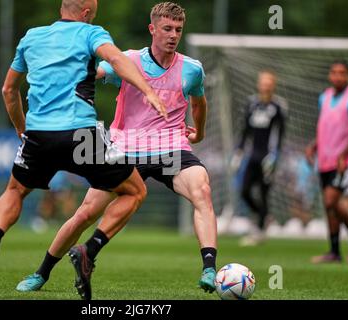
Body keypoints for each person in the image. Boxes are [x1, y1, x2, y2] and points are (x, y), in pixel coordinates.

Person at [16, 2, 218, 297]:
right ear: (152, 29)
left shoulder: (192, 69)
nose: (173, 35)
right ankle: (41, 273)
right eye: (166, 29)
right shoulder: (127, 60)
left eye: (178, 29)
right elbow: (88, 74)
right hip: (125, 147)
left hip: (170, 148)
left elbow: (199, 103)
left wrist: (198, 131)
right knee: (85, 213)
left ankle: (210, 269)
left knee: (202, 190)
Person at [0, 0, 167, 295]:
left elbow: (8, 90)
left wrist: (22, 129)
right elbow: (115, 59)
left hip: (39, 136)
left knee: (14, 191)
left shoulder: (31, 36)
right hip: (81, 135)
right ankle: (90, 248)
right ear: (86, 14)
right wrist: (148, 89)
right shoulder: (91, 33)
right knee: (135, 191)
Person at [231, 70, 286, 246]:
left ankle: (260, 231)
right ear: (259, 84)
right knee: (244, 191)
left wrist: (274, 156)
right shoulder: (251, 103)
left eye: (269, 82)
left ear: (273, 85)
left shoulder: (278, 106)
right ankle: (264, 216)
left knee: (263, 193)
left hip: (268, 158)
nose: (266, 85)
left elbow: (280, 133)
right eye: (263, 82)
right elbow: (245, 130)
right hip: (252, 155)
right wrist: (239, 152)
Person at [306, 60, 348, 264]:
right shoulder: (323, 97)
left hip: (344, 162)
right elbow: (326, 125)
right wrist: (314, 145)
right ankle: (334, 252)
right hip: (324, 160)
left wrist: (343, 156)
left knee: (331, 201)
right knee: (329, 208)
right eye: (334, 72)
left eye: (342, 73)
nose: (338, 76)